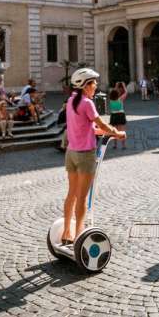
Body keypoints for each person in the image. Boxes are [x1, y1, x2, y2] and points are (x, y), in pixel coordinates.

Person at [60, 68, 125, 245]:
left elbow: (81, 126)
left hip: (71, 153)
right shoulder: (87, 103)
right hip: (85, 155)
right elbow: (101, 122)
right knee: (82, 197)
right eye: (94, 83)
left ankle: (67, 232)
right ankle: (79, 233)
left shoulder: (72, 100)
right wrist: (117, 133)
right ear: (85, 85)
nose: (96, 85)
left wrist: (98, 131)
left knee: (71, 195)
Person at [107, 83, 127, 150]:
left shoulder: (111, 100)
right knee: (122, 130)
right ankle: (123, 145)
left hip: (113, 115)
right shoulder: (120, 99)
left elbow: (113, 93)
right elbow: (126, 92)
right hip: (120, 115)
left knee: (114, 131)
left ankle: (115, 145)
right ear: (118, 94)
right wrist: (123, 86)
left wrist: (116, 86)